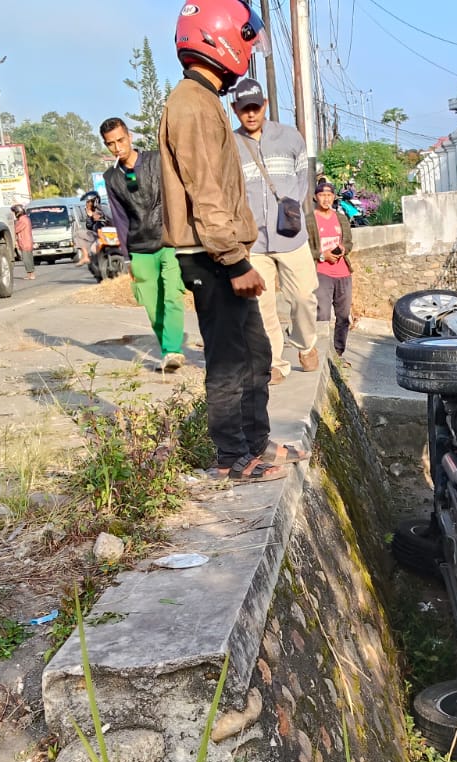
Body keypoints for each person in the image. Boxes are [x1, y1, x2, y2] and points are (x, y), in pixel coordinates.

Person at [162, 0, 304, 482]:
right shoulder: (191, 104)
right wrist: (234, 260)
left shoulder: (204, 99)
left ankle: (256, 443)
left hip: (224, 251)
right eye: (245, 41)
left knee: (256, 354)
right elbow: (205, 190)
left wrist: (237, 255)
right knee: (228, 361)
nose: (247, 52)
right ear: (220, 38)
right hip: (210, 254)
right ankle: (232, 458)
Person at [230, 78, 319, 385]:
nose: (251, 114)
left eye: (255, 107)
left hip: (291, 237)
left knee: (304, 297)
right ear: (235, 109)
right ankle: (275, 363)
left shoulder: (290, 137)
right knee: (261, 306)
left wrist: (290, 210)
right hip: (254, 243)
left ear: (264, 105)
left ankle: (306, 344)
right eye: (245, 109)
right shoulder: (231, 146)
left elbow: (303, 179)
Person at [101, 117, 187, 373]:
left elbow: (177, 194)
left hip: (169, 240)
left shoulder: (157, 160)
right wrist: (126, 257)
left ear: (130, 137)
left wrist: (184, 234)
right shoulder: (112, 177)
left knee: (173, 296)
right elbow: (120, 218)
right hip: (139, 248)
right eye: (111, 144)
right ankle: (168, 351)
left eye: (121, 140)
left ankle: (173, 349)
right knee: (152, 306)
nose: (117, 147)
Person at [306, 182, 355, 357]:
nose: (326, 199)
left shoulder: (341, 218)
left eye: (329, 195)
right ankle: (322, 352)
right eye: (322, 195)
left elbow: (348, 242)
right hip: (322, 272)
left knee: (343, 316)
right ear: (316, 197)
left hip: (343, 272)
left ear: (334, 197)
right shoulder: (309, 220)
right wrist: (322, 255)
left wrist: (343, 249)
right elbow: (305, 249)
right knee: (323, 314)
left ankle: (338, 353)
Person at [12, 205, 37, 281]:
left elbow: (16, 229)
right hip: (27, 242)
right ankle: (30, 274)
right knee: (29, 258)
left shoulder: (22, 220)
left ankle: (31, 275)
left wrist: (14, 223)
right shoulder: (26, 218)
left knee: (26, 259)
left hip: (25, 242)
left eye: (14, 212)